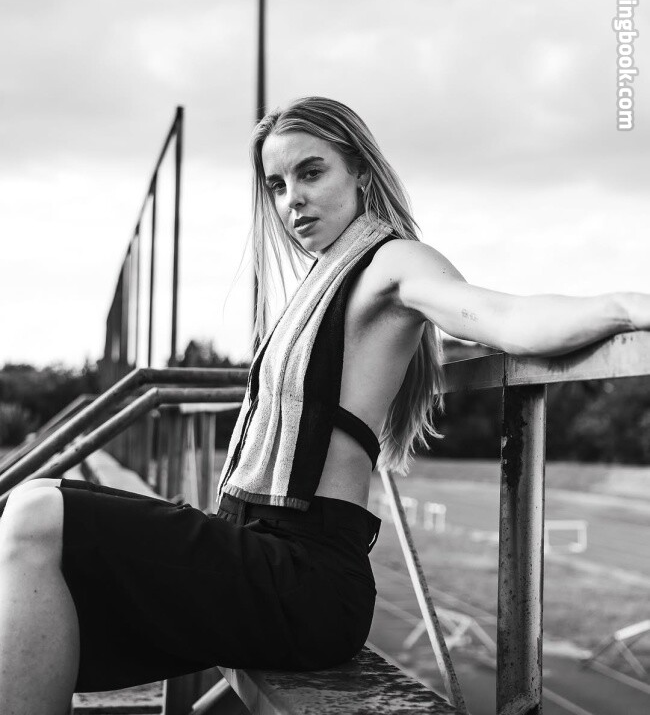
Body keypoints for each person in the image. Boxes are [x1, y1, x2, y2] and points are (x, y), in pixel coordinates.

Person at [0, 96, 647, 714]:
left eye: (311, 173)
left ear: (360, 171)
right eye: (277, 185)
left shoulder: (394, 261)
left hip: (306, 579)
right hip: (255, 549)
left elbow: (504, 317)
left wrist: (624, 306)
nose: (293, 200)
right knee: (31, 505)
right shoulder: (320, 277)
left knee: (38, 515)